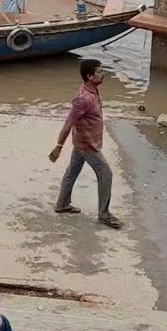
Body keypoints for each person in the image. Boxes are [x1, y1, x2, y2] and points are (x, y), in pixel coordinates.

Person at [49, 59, 123, 229]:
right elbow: (69, 122)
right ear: (90, 76)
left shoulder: (93, 90)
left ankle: (62, 204)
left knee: (72, 172)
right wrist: (58, 146)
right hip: (87, 145)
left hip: (83, 140)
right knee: (106, 174)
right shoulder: (83, 98)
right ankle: (104, 214)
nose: (103, 73)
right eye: (99, 71)